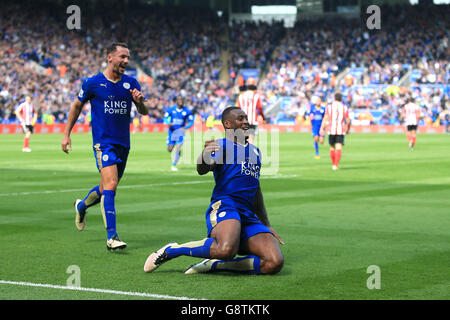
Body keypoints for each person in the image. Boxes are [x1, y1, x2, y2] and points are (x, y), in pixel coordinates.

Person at [144, 106, 284, 275]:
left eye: (246, 118)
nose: (246, 121)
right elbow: (202, 169)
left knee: (274, 262)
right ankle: (173, 250)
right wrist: (204, 154)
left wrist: (266, 223)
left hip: (248, 214)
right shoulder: (221, 145)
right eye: (240, 118)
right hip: (226, 205)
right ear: (228, 124)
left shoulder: (255, 151)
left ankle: (215, 265)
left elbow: (256, 189)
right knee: (226, 249)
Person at [61, 43, 149, 251]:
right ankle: (112, 237)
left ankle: (81, 206)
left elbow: (144, 111)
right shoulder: (93, 83)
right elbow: (76, 106)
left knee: (104, 188)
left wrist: (140, 102)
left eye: (128, 57)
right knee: (111, 185)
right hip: (103, 143)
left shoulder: (131, 83)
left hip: (123, 144)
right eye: (122, 57)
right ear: (110, 57)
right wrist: (66, 133)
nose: (126, 61)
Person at [320, 93, 351, 171]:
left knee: (332, 147)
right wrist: (348, 129)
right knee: (339, 147)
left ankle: (333, 164)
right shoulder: (344, 108)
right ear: (341, 99)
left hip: (331, 130)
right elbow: (348, 120)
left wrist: (322, 128)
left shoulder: (329, 107)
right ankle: (335, 165)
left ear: (334, 98)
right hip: (340, 130)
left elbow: (325, 118)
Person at [163, 96, 194, 171]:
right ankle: (176, 151)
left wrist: (185, 128)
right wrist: (168, 123)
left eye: (182, 100)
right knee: (170, 149)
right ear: (176, 101)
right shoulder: (171, 109)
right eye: (179, 100)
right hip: (172, 132)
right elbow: (165, 118)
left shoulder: (187, 111)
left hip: (180, 132)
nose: (181, 102)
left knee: (178, 148)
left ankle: (174, 165)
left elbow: (191, 121)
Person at [237, 77, 265, 144]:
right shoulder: (256, 96)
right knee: (251, 139)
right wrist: (263, 117)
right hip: (252, 121)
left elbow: (239, 109)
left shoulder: (241, 96)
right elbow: (260, 108)